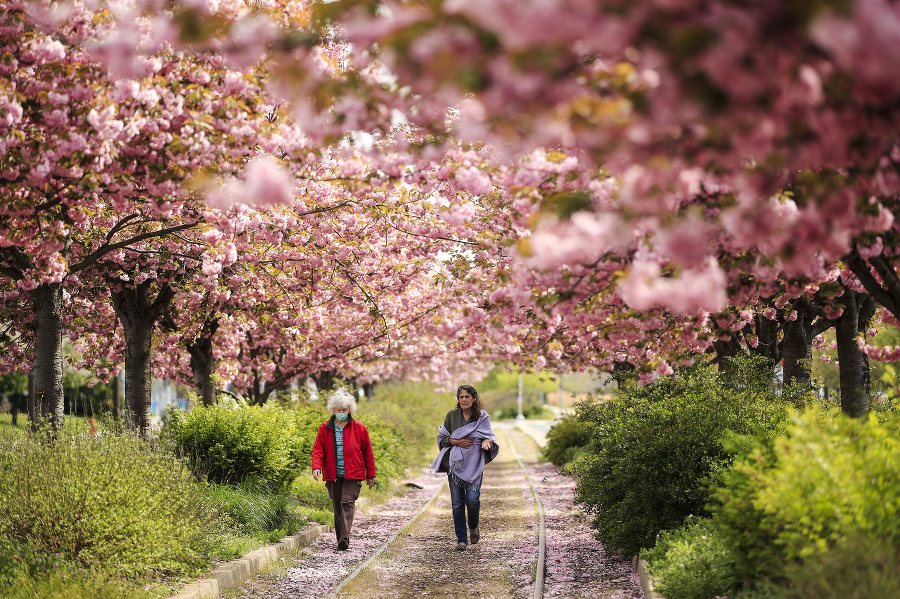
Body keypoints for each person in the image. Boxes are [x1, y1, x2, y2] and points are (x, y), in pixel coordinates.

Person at [431, 384, 499, 551]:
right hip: (455, 464)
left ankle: (474, 526)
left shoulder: (482, 417)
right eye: (461, 397)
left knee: (472, 500)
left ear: (474, 399)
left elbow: (489, 438)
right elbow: (442, 438)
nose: (464, 400)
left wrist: (485, 443)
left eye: (467, 397)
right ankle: (462, 539)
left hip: (475, 463)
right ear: (458, 399)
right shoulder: (452, 416)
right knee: (457, 503)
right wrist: (455, 441)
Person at [311, 389, 377, 551]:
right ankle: (341, 537)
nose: (341, 412)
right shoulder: (325, 428)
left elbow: (367, 451)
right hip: (333, 474)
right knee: (337, 505)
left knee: (347, 503)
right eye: (339, 410)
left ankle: (344, 538)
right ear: (333, 410)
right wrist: (316, 467)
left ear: (350, 410)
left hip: (353, 473)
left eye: (344, 410)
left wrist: (371, 474)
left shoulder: (359, 428)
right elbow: (318, 450)